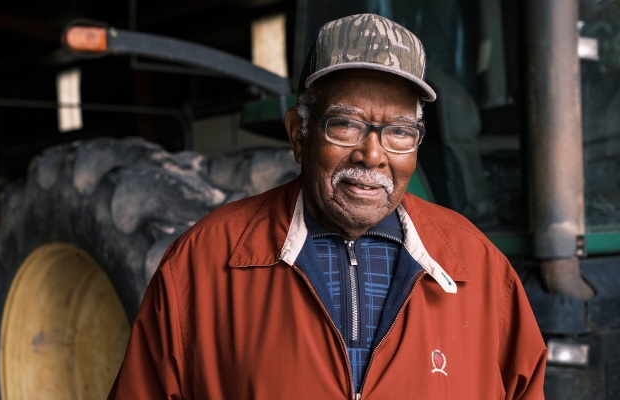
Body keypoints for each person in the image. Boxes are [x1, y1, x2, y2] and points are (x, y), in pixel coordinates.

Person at [108, 13, 547, 399]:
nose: (373, 155)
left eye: (399, 131)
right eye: (346, 124)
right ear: (299, 134)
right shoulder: (202, 266)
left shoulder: (480, 269)